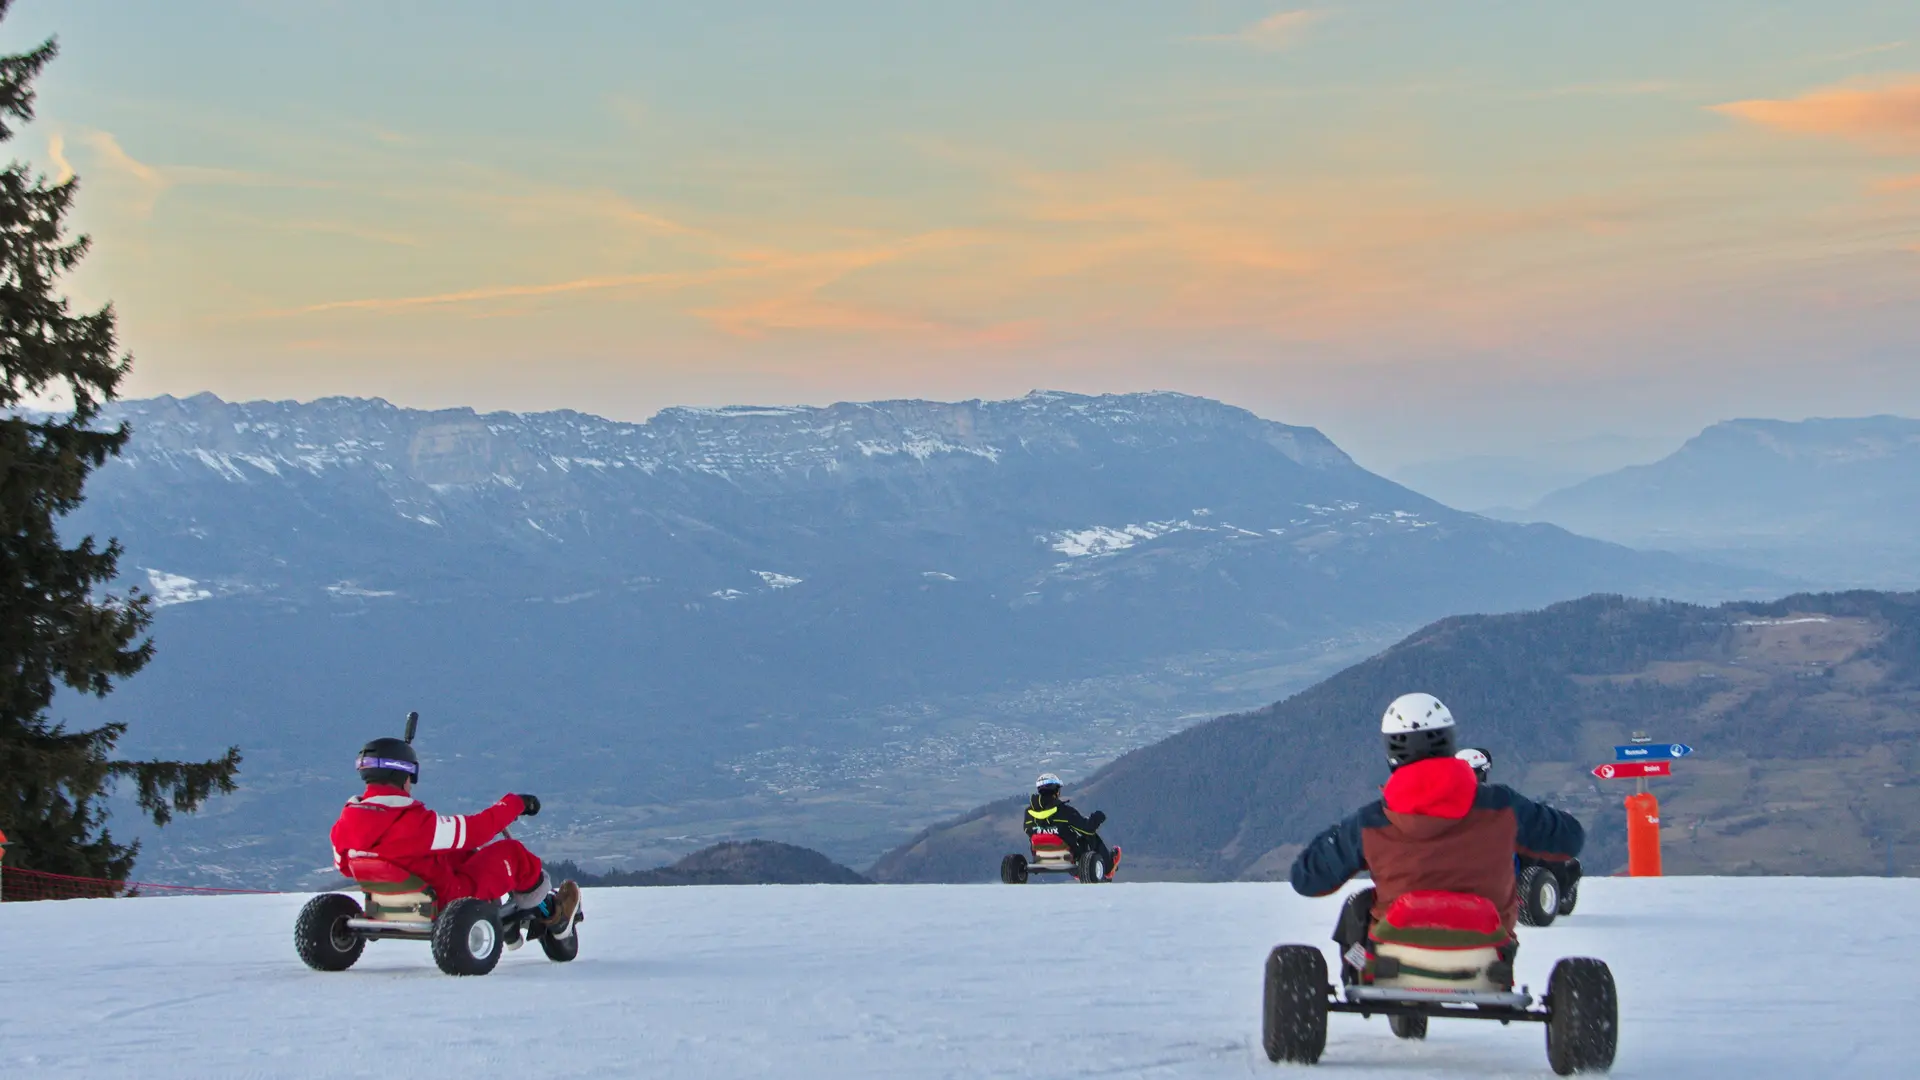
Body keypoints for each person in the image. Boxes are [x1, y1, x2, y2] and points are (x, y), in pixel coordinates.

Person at [1289, 694, 1583, 975]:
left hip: (1395, 948)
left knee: (1360, 906)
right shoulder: (1502, 806)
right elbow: (1569, 840)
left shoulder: (1371, 822)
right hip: (1489, 949)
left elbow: (1308, 879)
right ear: (1449, 740)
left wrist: (1338, 836)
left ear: (1392, 750)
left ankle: (1357, 969)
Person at [330, 735, 580, 938]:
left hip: (386, 900)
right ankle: (554, 916)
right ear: (405, 776)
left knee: (456, 853)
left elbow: (345, 867)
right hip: (445, 901)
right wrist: (513, 804)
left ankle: (503, 910)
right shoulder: (413, 822)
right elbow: (476, 832)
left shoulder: (346, 822)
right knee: (513, 854)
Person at [1025, 773, 1120, 879]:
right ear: (1056, 791)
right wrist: (1097, 817)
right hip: (1069, 854)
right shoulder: (1064, 811)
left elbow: (1028, 830)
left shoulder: (1029, 813)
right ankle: (1108, 867)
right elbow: (1087, 829)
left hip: (1039, 854)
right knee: (1090, 836)